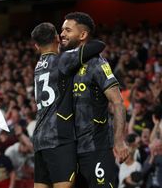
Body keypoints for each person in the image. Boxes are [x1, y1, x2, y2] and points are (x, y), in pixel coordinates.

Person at [31, 22, 105, 188]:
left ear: (36, 46)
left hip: (39, 137)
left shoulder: (37, 67)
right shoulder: (62, 60)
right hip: (58, 136)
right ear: (57, 38)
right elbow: (98, 46)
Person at [60, 12, 129, 187]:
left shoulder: (98, 64)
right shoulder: (64, 65)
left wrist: (119, 140)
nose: (62, 34)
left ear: (82, 35)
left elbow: (118, 102)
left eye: (68, 30)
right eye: (62, 30)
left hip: (96, 148)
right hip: (69, 151)